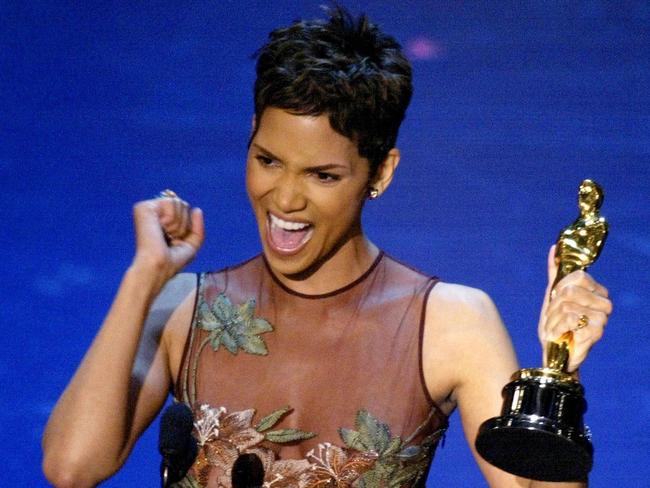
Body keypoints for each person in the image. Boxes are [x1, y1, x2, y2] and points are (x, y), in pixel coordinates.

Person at [42, 7, 612, 488]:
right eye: (267, 160)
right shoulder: (184, 308)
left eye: (322, 175)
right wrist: (144, 278)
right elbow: (71, 467)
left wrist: (565, 375)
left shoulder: (452, 324)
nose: (284, 198)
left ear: (380, 172)